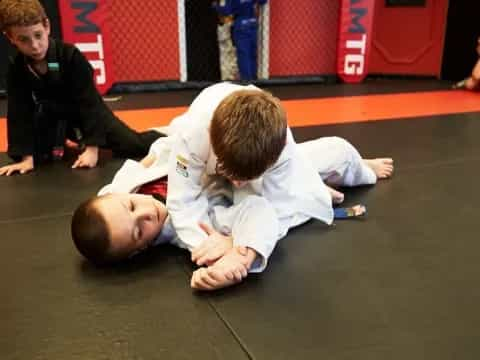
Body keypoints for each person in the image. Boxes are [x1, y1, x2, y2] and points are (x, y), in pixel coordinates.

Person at [72, 83, 393, 290]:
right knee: (326, 164)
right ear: (139, 249)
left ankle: (359, 172)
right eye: (140, 231)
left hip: (249, 141)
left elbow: (144, 164)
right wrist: (237, 249)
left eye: (131, 206)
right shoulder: (192, 225)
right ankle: (328, 184)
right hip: (218, 158)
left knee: (335, 158)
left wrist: (305, 191)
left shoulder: (111, 200)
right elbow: (262, 211)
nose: (146, 213)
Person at [0, 0, 163, 176]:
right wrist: (27, 158)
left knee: (133, 146)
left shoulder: (70, 56)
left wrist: (93, 148)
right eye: (24, 40)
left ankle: (170, 136)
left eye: (38, 35)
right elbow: (19, 111)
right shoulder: (16, 67)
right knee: (41, 158)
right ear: (10, 38)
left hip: (86, 114)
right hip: (52, 118)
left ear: (47, 26)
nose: (34, 45)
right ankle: (61, 143)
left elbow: (90, 103)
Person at [213, 0, 267, 80]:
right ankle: (254, 80)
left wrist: (216, 6)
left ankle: (247, 80)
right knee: (252, 54)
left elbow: (227, 10)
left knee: (243, 55)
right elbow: (263, 1)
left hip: (240, 23)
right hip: (252, 22)